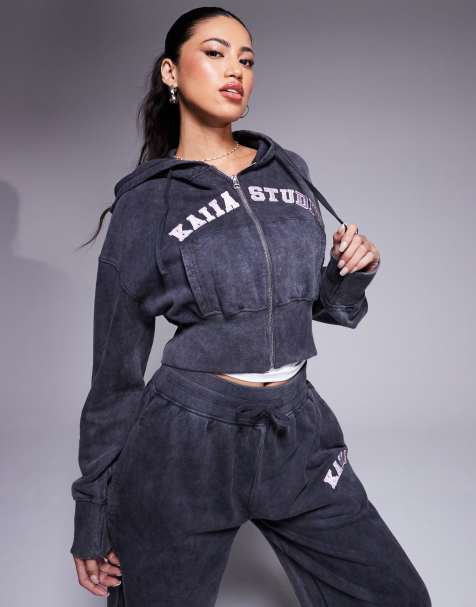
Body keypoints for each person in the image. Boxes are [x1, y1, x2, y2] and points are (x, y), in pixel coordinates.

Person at [70, 6, 432, 606]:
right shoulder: (146, 205)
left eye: (246, 59)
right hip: (185, 445)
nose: (235, 69)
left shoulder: (288, 170)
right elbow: (114, 376)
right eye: (215, 53)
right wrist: (92, 511)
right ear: (170, 72)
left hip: (296, 431)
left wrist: (352, 274)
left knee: (395, 597)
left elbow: (312, 305)